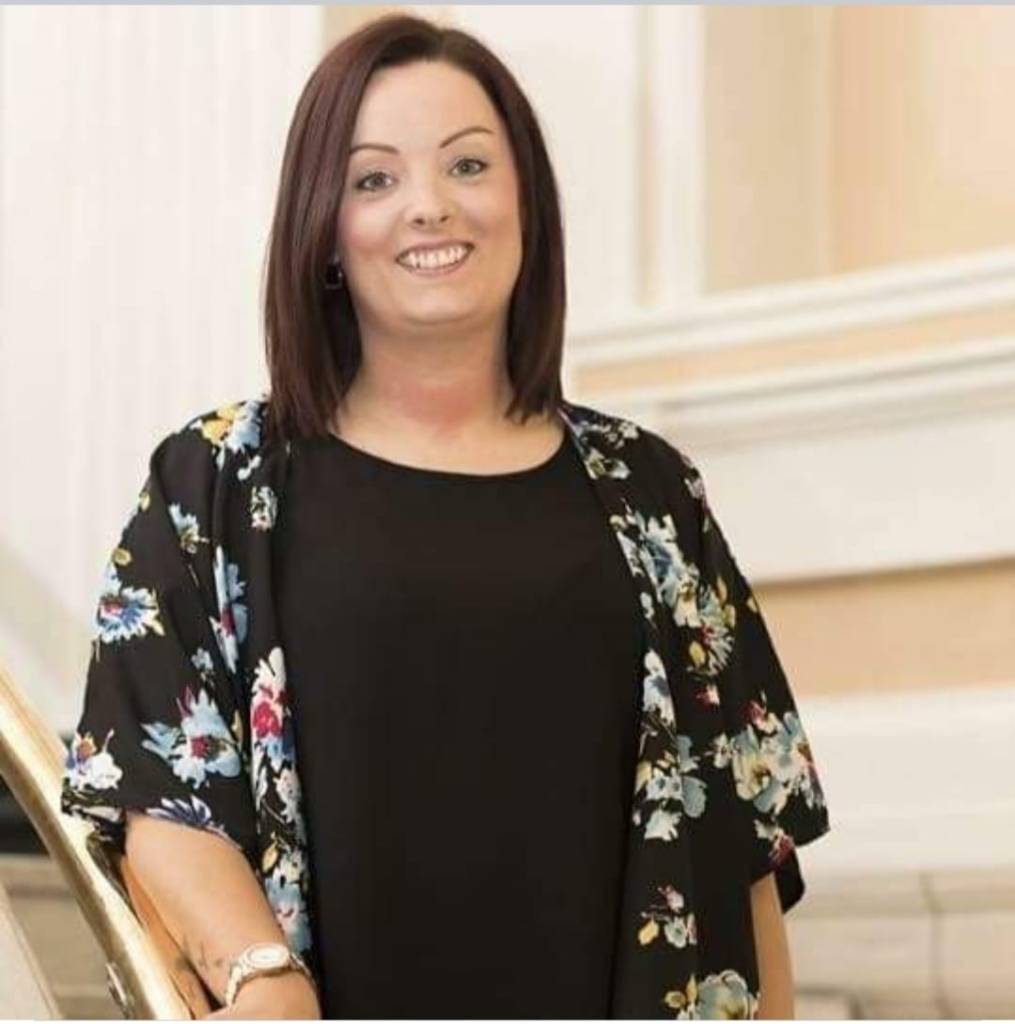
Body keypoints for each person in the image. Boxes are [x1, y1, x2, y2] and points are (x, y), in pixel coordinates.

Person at [60, 13, 831, 1020]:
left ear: (525, 202)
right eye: (374, 178)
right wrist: (261, 976)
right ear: (324, 227)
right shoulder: (215, 482)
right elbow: (156, 788)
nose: (428, 205)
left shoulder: (651, 492)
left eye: (467, 164)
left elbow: (745, 836)